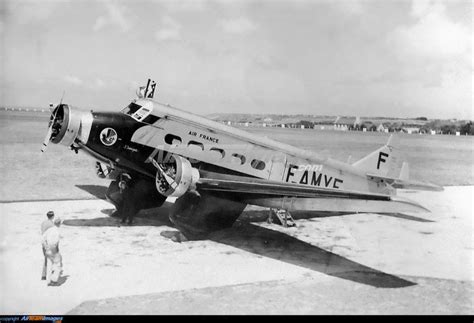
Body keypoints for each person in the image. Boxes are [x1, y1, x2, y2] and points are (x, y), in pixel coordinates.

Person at [42, 217, 63, 286]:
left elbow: (43, 239)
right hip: (53, 250)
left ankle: (48, 281)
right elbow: (55, 242)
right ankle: (54, 280)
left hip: (47, 250)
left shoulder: (49, 230)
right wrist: (55, 249)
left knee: (49, 265)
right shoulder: (57, 231)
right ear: (59, 224)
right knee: (58, 265)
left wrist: (46, 247)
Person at [41, 211, 55, 280]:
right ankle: (53, 274)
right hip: (49, 243)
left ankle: (43, 275)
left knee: (45, 259)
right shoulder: (52, 224)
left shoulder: (43, 223)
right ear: (52, 216)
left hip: (43, 242)